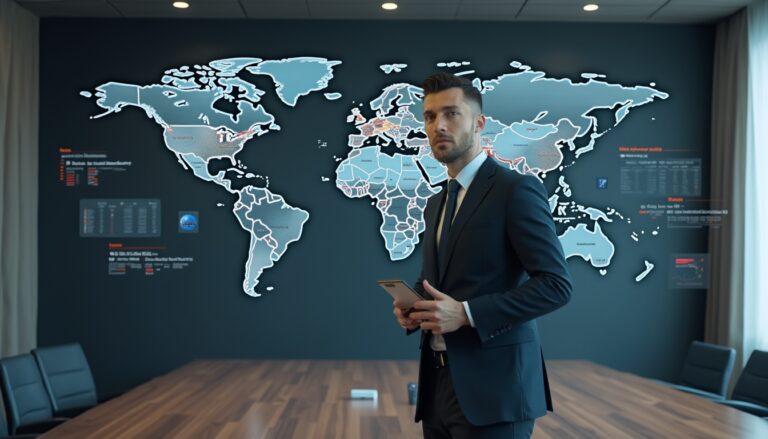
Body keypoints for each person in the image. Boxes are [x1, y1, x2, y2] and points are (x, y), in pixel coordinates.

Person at [393, 72, 572, 439]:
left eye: (451, 114)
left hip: (497, 392)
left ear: (479, 123)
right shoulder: (436, 202)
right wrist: (415, 306)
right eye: (429, 117)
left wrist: (466, 314)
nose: (438, 125)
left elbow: (556, 285)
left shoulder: (516, 190)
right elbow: (441, 279)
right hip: (438, 385)